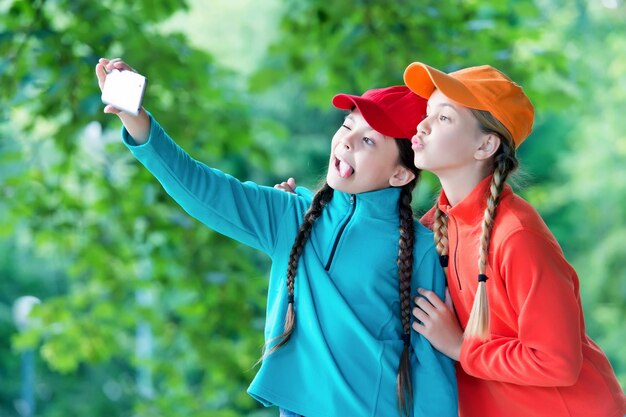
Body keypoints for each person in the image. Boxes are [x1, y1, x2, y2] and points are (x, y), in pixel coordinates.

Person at [94, 58, 458, 417]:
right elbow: (203, 189)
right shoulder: (289, 215)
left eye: (368, 141)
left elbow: (431, 365)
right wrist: (135, 118)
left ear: (399, 175)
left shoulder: (422, 248)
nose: (347, 142)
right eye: (347, 126)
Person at [403, 62, 626, 417]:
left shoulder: (518, 236)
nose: (423, 125)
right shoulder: (435, 226)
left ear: (486, 145)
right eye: (428, 113)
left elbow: (558, 362)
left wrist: (462, 349)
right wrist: (290, 206)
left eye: (444, 118)